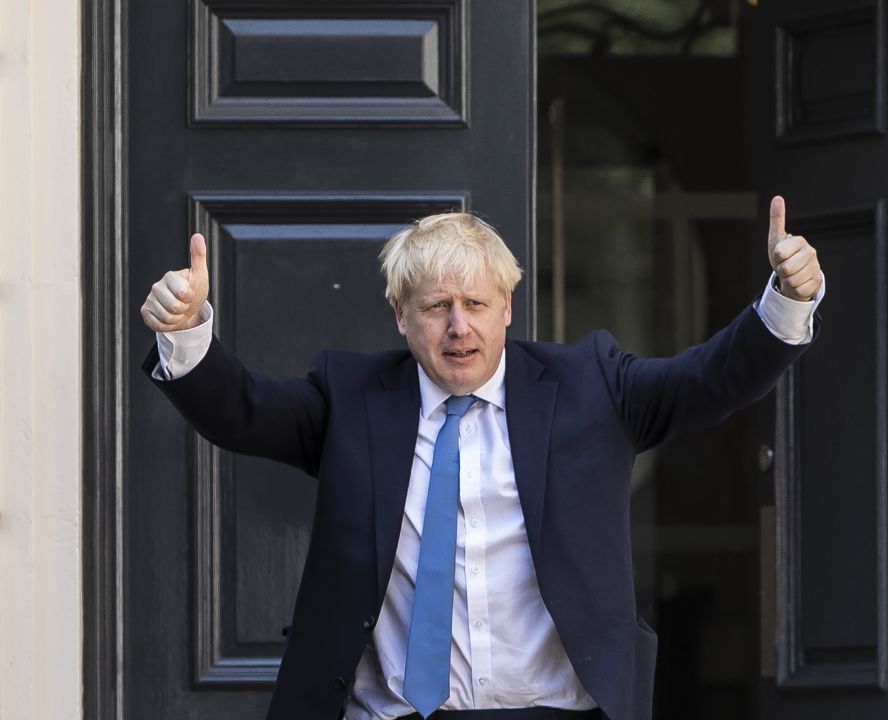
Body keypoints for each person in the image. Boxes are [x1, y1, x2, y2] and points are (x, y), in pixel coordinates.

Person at [139, 196, 824, 720]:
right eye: (436, 306)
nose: (458, 326)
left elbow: (707, 380)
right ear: (400, 315)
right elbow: (246, 412)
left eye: (475, 303)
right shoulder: (351, 399)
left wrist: (787, 301)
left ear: (507, 309)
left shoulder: (591, 386)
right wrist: (188, 332)